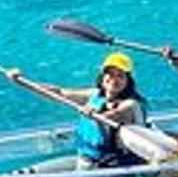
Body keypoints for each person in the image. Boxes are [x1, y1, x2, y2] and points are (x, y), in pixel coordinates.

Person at [14, 51, 151, 168]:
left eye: (120, 75)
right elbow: (59, 93)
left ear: (128, 81)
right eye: (110, 74)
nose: (114, 79)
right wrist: (23, 82)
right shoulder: (95, 95)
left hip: (115, 168)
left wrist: (95, 114)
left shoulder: (131, 104)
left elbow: (113, 115)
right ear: (102, 77)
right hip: (87, 158)